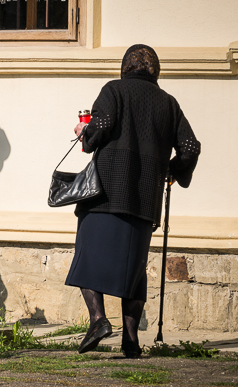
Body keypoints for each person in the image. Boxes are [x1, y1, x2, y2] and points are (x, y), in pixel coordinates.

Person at [64, 44, 201, 358]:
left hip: (106, 192)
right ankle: (131, 340)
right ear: (155, 71)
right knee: (135, 270)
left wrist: (84, 131)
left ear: (125, 67)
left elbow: (99, 128)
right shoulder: (169, 103)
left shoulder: (114, 90)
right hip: (144, 198)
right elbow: (190, 147)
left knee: (87, 254)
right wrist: (173, 171)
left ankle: (98, 320)